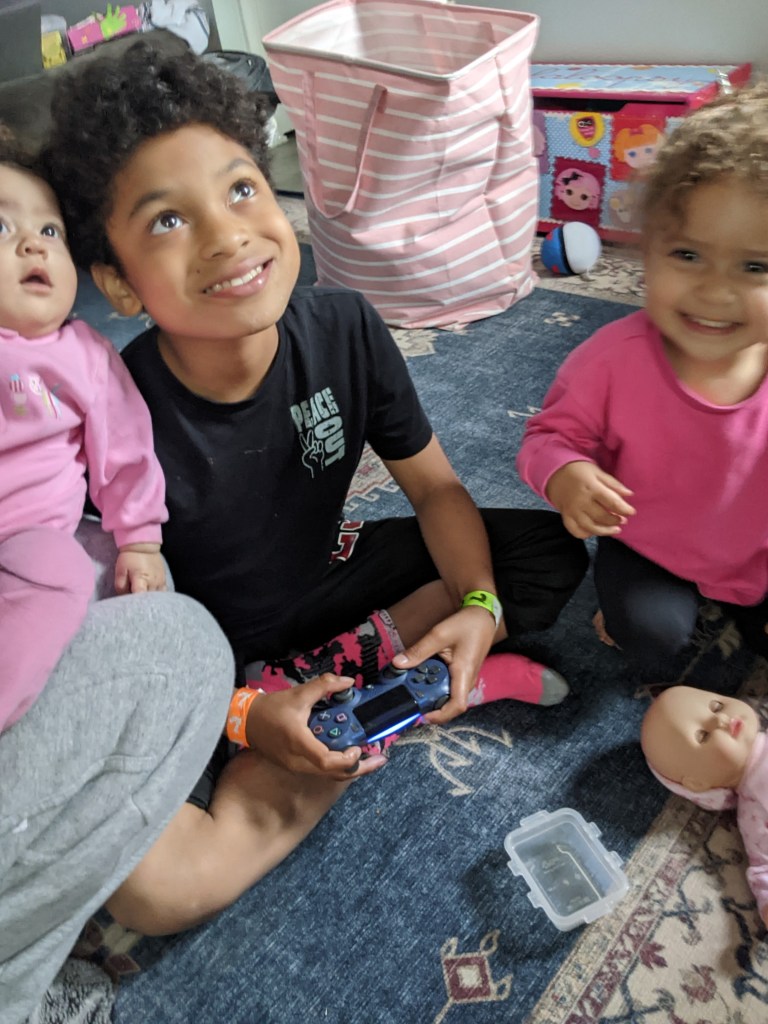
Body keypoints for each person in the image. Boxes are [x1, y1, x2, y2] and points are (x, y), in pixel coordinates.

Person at [36, 41, 587, 935]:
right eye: (168, 220)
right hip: (207, 654)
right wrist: (246, 715)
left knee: (544, 552)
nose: (227, 236)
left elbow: (437, 492)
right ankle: (376, 695)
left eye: (241, 188)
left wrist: (481, 607)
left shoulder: (345, 326)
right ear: (117, 283)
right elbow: (116, 645)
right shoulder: (110, 416)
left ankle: (394, 684)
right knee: (153, 890)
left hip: (323, 578)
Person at [517, 81, 768, 670]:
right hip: (648, 545)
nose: (714, 291)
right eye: (687, 255)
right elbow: (548, 437)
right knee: (648, 638)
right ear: (646, 250)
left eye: (756, 266)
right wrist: (567, 474)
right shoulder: (611, 359)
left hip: (755, 549)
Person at [0, 131, 167, 734]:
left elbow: (125, 452)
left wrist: (140, 541)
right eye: (1, 228)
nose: (32, 244)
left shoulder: (83, 354)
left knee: (66, 573)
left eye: (51, 231)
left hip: (28, 538)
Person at [641, 684, 768, 928]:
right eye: (703, 736)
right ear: (698, 783)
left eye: (716, 706)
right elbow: (764, 868)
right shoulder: (752, 813)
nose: (720, 719)